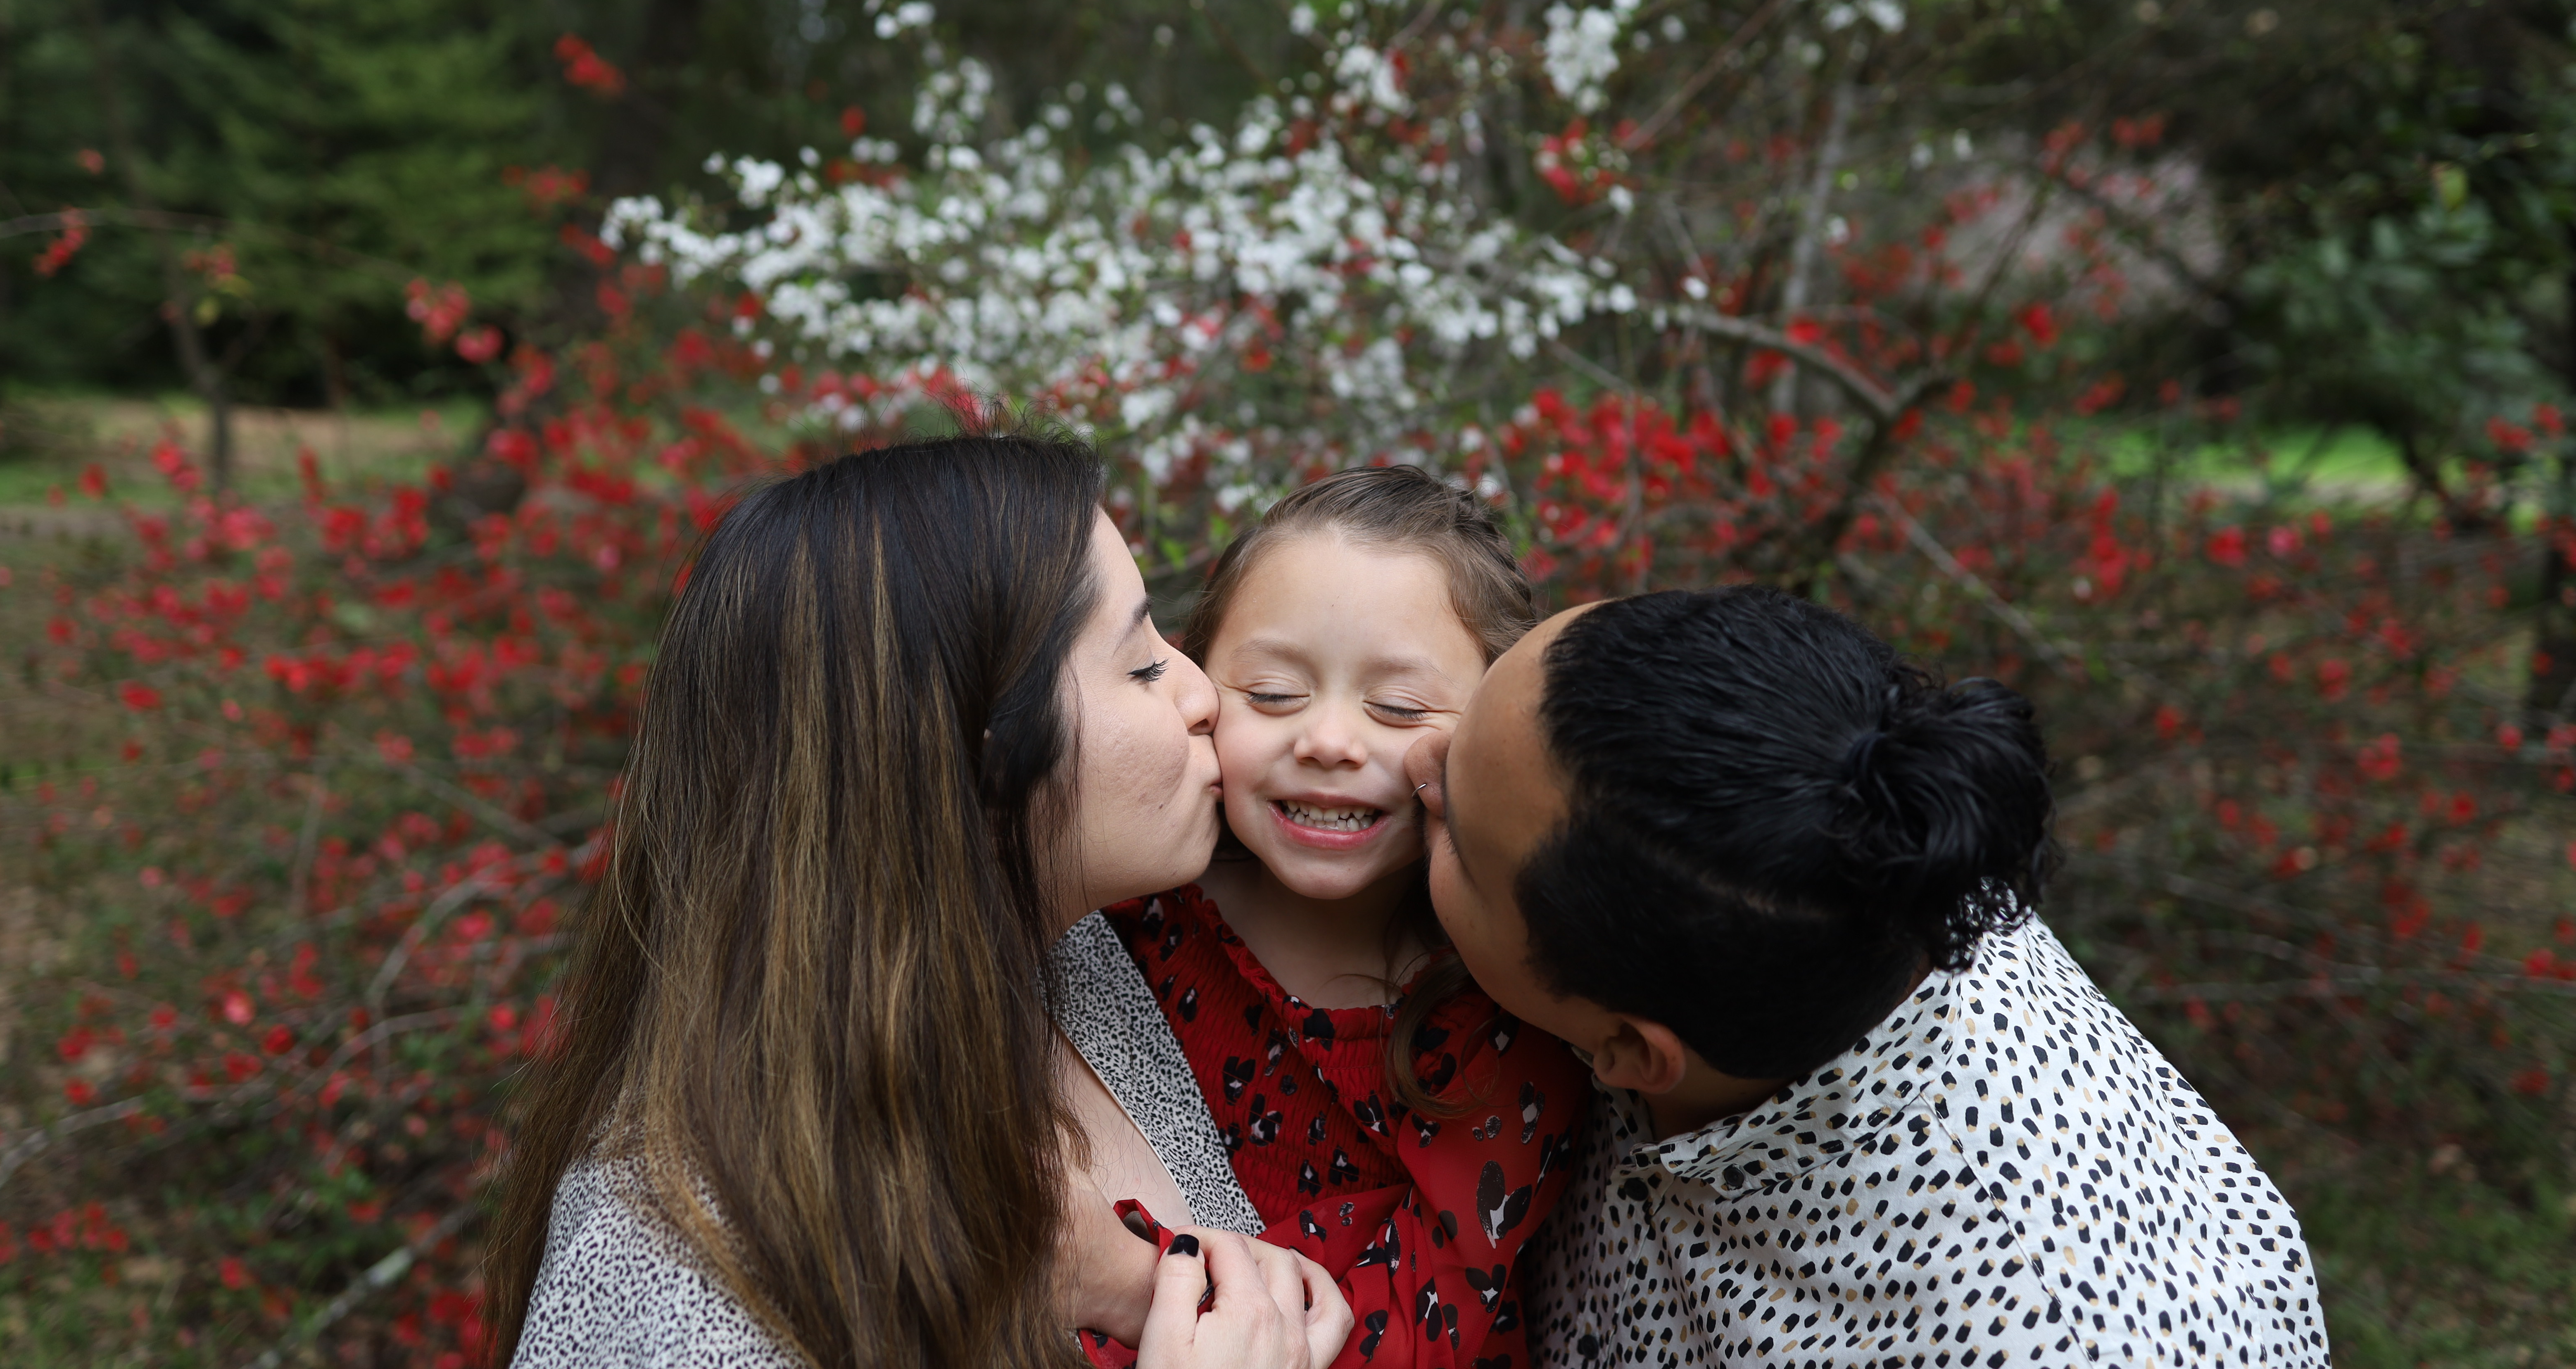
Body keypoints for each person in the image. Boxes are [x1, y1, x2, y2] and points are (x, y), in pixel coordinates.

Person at [482, 433, 1352, 1369]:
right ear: (973, 771)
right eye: (1141, 666)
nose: (1201, 693)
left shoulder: (1078, 956)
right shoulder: (679, 1266)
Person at [1406, 586, 2332, 1367]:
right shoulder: (1842, 849)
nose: (1414, 763)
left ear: (1628, 1050)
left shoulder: (2043, 1328)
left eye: (1460, 841)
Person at [1054, 468, 1590, 1369]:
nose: (1330, 740)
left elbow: (1428, 1318)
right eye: (1270, 694)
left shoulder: (1495, 1000)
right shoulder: (1129, 913)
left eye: (1398, 708)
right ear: (1188, 682)